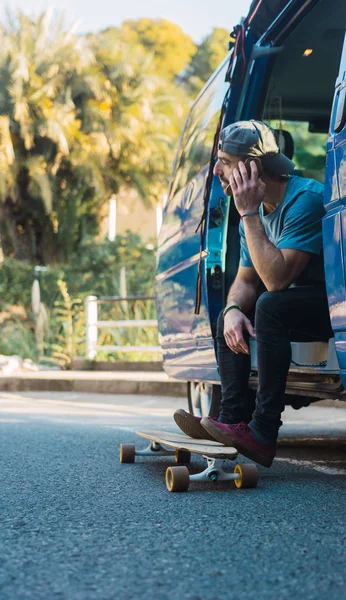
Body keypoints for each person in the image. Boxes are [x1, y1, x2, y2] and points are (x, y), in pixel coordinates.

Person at [174, 120, 333, 467]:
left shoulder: (304, 200)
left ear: (252, 167)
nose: (215, 170)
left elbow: (276, 280)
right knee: (230, 315)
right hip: (298, 306)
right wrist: (232, 309)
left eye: (225, 161)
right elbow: (246, 280)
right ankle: (231, 419)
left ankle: (263, 433)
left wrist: (248, 214)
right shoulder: (257, 211)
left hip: (335, 307)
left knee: (270, 304)